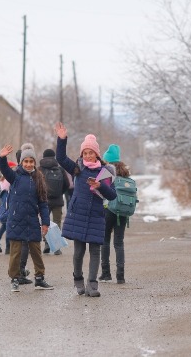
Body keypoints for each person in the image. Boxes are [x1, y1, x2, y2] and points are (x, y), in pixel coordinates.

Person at [54, 122, 116, 297]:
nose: (88, 156)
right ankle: (78, 279)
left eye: (91, 153)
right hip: (78, 215)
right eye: (85, 153)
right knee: (79, 252)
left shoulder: (105, 171)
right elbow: (60, 157)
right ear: (82, 154)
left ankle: (93, 284)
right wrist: (62, 138)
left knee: (95, 251)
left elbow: (112, 196)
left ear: (96, 154)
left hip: (96, 216)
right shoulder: (77, 168)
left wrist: (100, 186)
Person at [0, 142, 53, 292]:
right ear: (21, 162)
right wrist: (1, 157)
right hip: (16, 220)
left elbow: (43, 203)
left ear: (35, 163)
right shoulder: (14, 176)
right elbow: (3, 168)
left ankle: (40, 278)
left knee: (36, 251)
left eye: (31, 161)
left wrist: (45, 222)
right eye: (26, 161)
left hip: (32, 221)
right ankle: (15, 278)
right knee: (15, 253)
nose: (28, 164)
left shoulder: (39, 179)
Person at [99, 144, 132, 284]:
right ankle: (121, 275)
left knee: (105, 240)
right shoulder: (125, 172)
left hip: (108, 209)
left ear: (108, 160)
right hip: (123, 211)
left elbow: (98, 189)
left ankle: (106, 273)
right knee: (119, 242)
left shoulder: (106, 171)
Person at [39, 148, 70, 255]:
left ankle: (47, 243)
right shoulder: (60, 169)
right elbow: (67, 184)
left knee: (45, 222)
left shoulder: (40, 169)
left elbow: (36, 184)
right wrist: (60, 193)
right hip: (58, 200)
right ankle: (57, 247)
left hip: (44, 201)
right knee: (57, 223)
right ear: (54, 157)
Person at [0, 161, 17, 254]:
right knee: (8, 224)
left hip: (4, 203)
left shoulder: (2, 180)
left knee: (6, 224)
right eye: (13, 168)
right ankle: (7, 247)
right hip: (8, 204)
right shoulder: (8, 180)